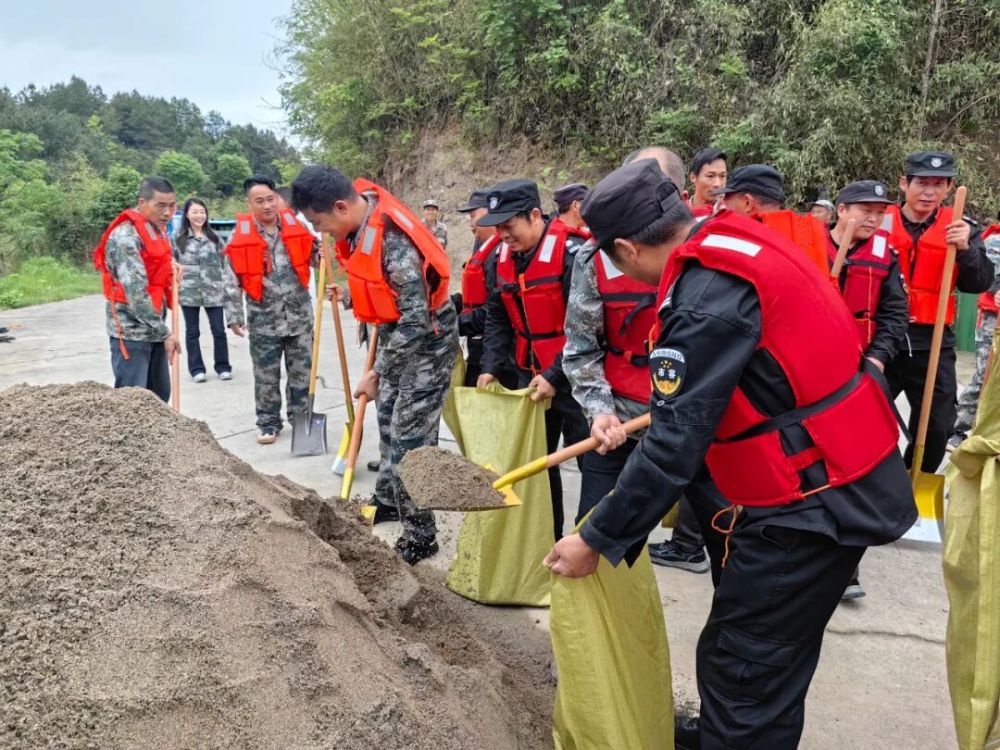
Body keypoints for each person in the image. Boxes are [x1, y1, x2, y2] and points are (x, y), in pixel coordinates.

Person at [544, 158, 916, 749]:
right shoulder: (734, 239)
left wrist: (596, 538)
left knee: (746, 671)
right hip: (835, 480)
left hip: (814, 506)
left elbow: (673, 445)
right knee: (745, 648)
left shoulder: (702, 301)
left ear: (627, 249)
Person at [563, 152, 728, 581]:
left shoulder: (717, 252)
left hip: (699, 431)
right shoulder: (595, 257)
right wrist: (599, 411)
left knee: (733, 550)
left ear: (678, 199)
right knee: (592, 542)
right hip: (619, 422)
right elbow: (580, 347)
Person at [291, 165, 458, 565]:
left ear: (340, 207)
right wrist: (351, 297)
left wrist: (379, 373)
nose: (320, 232)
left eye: (319, 223)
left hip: (428, 344)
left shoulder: (393, 243)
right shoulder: (359, 227)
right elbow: (384, 290)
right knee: (386, 419)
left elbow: (416, 320)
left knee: (409, 440)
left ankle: (421, 534)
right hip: (395, 334)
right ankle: (389, 498)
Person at [476, 179, 591, 540]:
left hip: (579, 380)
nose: (503, 235)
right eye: (498, 227)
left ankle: (589, 546)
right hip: (530, 378)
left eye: (509, 225)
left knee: (594, 463)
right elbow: (497, 316)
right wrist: (490, 366)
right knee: (537, 463)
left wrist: (555, 375)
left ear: (536, 215)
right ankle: (547, 540)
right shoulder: (500, 259)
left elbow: (590, 328)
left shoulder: (574, 255)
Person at [884, 151, 993, 472]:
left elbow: (979, 283)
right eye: (922, 183)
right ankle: (876, 482)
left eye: (938, 184)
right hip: (881, 336)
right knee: (862, 416)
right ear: (904, 184)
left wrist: (966, 250)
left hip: (931, 339)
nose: (929, 192)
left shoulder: (962, 228)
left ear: (949, 188)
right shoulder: (879, 220)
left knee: (937, 424)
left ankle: (915, 478)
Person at [828, 180, 910, 600]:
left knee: (853, 464)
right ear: (841, 210)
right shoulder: (807, 247)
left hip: (857, 373)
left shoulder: (885, 256)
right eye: (865, 210)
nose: (874, 218)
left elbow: (896, 315)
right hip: (808, 374)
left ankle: (846, 570)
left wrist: (877, 358)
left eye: (880, 212)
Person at [224, 175, 316, 445]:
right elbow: (230, 278)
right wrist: (234, 315)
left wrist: (320, 256)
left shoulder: (295, 226)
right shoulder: (240, 236)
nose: (266, 206)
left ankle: (302, 420)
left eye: (270, 199)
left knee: (302, 374)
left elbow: (313, 255)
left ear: (277, 199)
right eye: (259, 201)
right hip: (264, 319)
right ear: (249, 203)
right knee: (266, 376)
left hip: (300, 317)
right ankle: (268, 422)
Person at [93, 175, 182, 403]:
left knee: (159, 397)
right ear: (142, 202)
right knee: (133, 403)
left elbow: (156, 265)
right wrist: (166, 334)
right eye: (160, 206)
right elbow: (136, 295)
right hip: (131, 332)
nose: (167, 213)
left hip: (155, 329)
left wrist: (172, 267)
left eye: (172, 206)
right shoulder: (125, 237)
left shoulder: (157, 229)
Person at [714, 164, 829, 274]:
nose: (724, 205)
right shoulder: (811, 235)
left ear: (747, 202)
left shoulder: (745, 247)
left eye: (727, 199)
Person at [171, 198, 238, 382]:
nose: (199, 216)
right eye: (195, 212)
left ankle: (223, 367)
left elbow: (226, 264)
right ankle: (196, 369)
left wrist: (229, 287)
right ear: (187, 214)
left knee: (219, 330)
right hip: (188, 292)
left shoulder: (215, 237)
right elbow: (171, 261)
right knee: (192, 332)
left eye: (202, 212)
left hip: (214, 291)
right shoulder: (178, 238)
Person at [951, 213, 1000, 448]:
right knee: (985, 375)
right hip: (993, 319)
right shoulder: (995, 241)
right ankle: (958, 428)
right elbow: (988, 278)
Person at [456, 189, 513, 387]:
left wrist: (457, 324)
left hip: (497, 355)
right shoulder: (483, 248)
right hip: (479, 346)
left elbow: (497, 310)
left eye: (473, 215)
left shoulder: (501, 255)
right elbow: (477, 297)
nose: (470, 222)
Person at [688, 148, 727, 218]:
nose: (718, 184)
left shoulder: (729, 215)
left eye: (722, 176)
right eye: (710, 176)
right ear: (693, 177)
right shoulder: (680, 213)